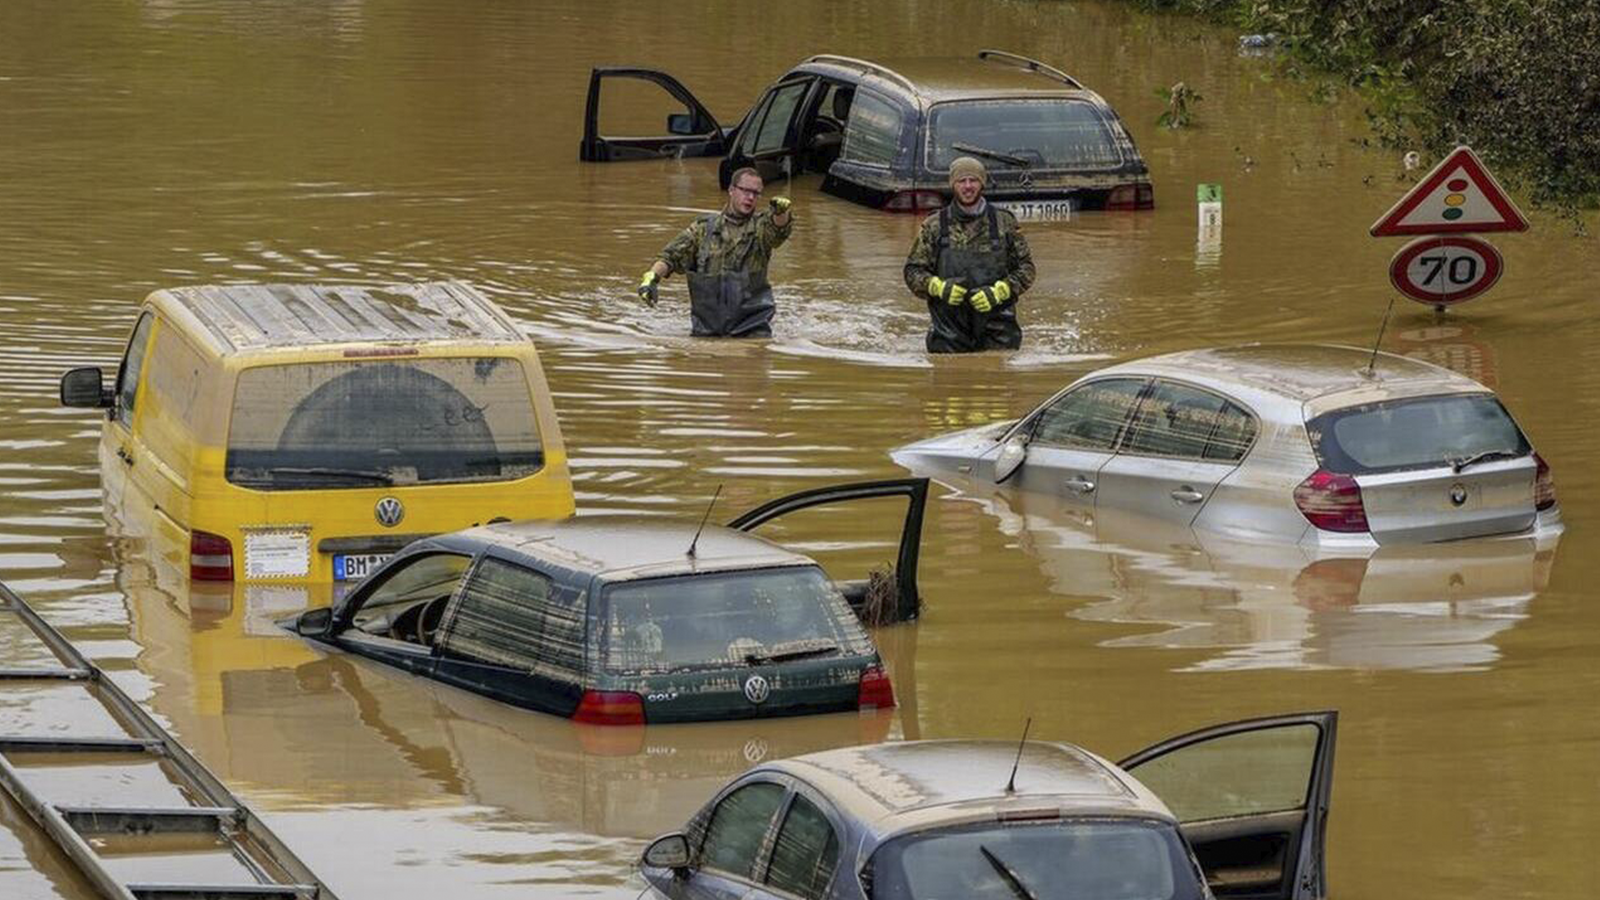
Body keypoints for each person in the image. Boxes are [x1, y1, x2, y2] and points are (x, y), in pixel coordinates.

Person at [636, 167, 793, 338]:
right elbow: (670, 256)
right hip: (706, 332)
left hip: (752, 331)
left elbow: (779, 230)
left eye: (756, 193)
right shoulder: (703, 229)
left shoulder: (761, 229)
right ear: (731, 190)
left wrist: (781, 212)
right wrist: (651, 278)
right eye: (746, 191)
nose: (750, 197)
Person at [903, 156, 1035, 353]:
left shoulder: (1004, 222)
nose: (967, 186)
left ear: (982, 183)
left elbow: (1027, 269)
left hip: (999, 332)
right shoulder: (934, 225)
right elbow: (912, 271)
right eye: (961, 181)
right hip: (948, 334)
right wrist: (937, 287)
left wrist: (1002, 291)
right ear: (953, 185)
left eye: (973, 180)